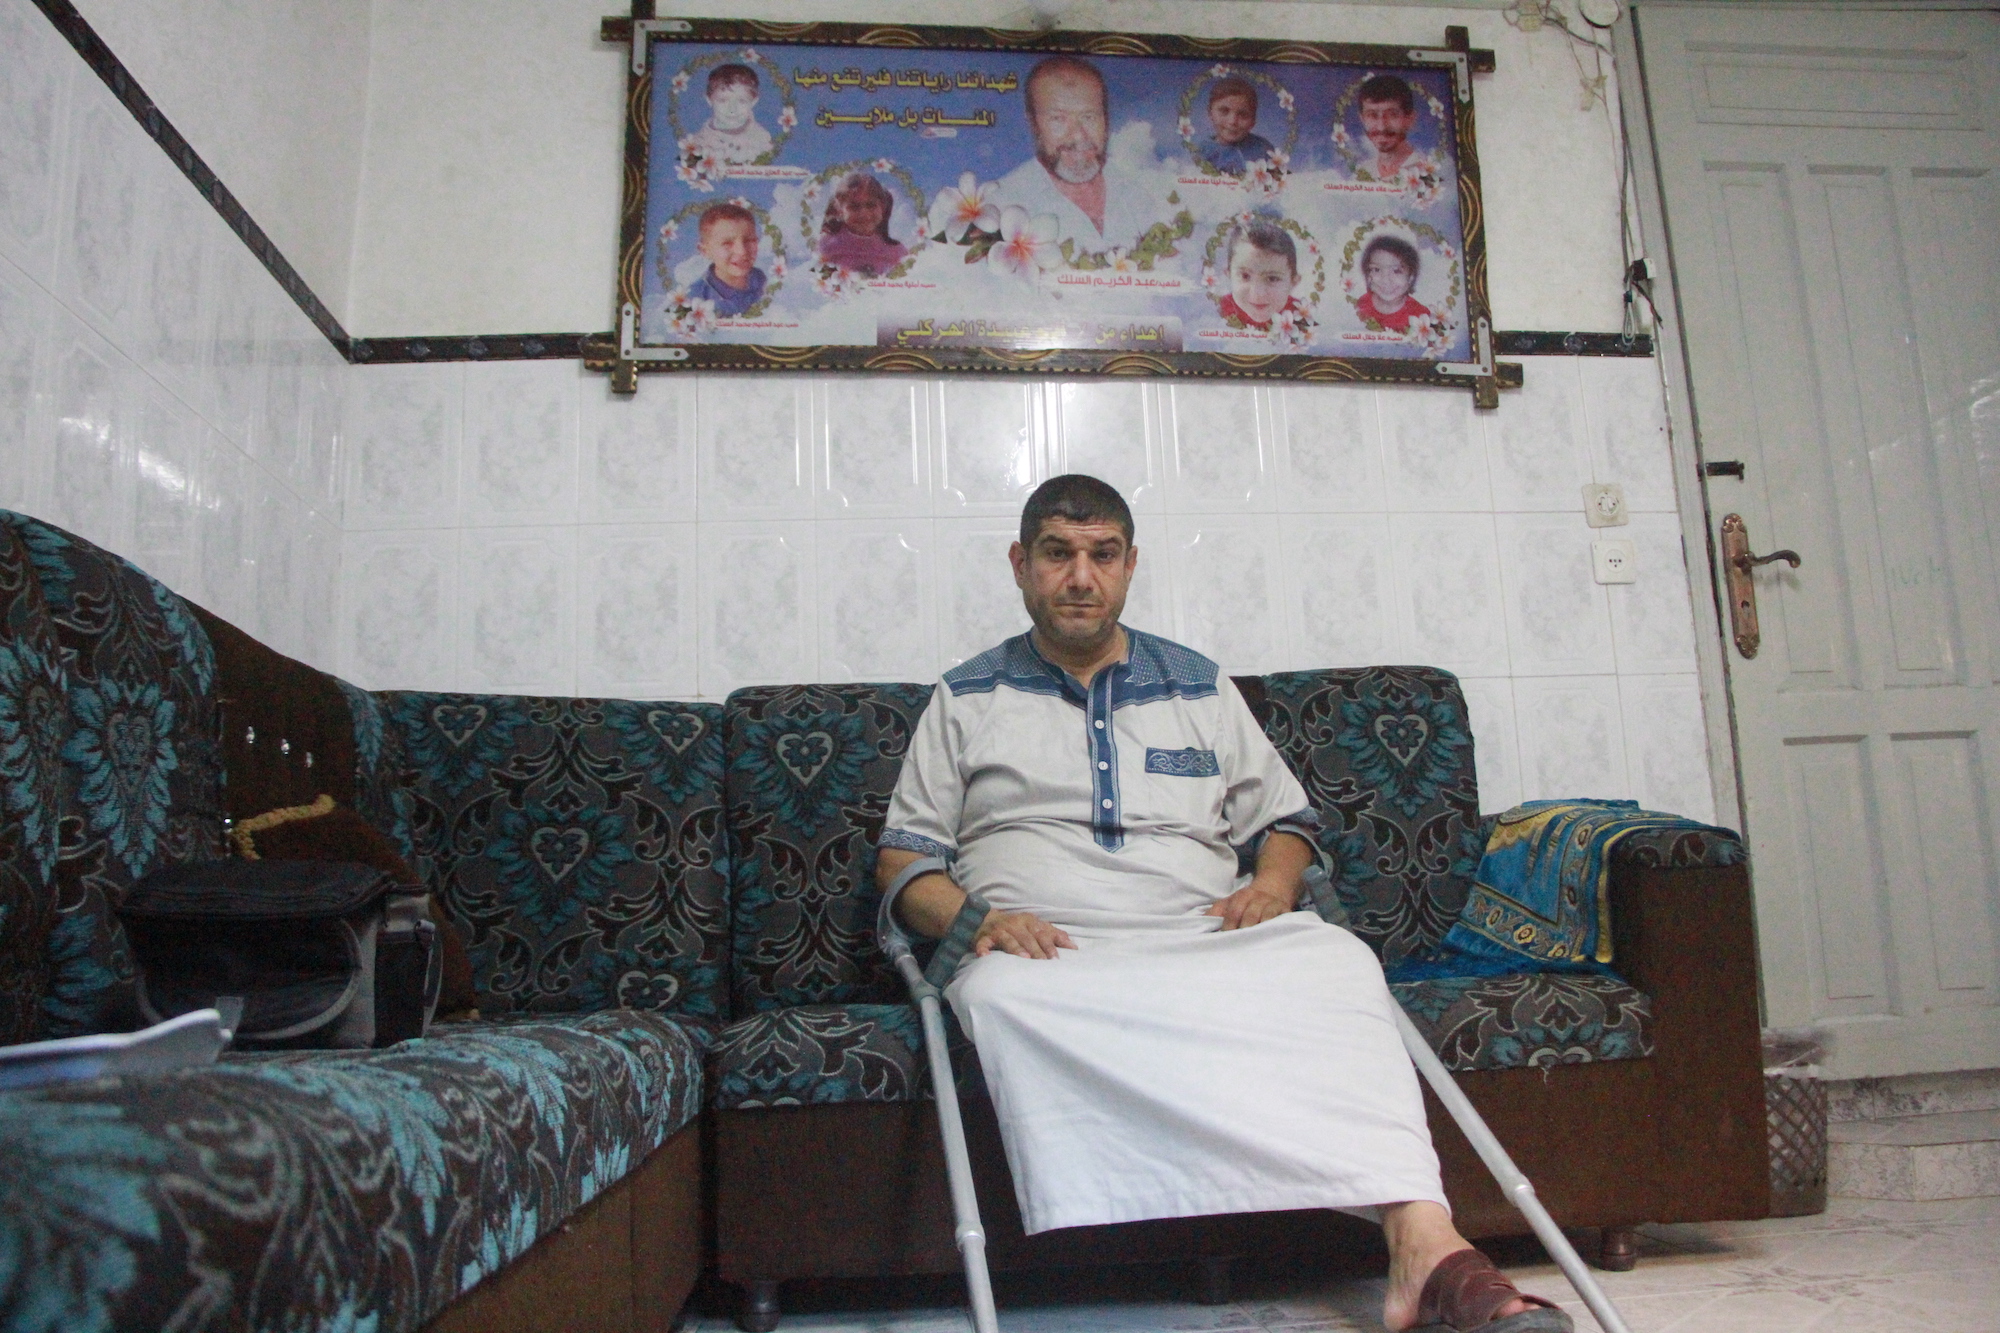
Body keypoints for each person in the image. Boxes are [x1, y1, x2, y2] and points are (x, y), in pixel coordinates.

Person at [876, 475, 1571, 1333]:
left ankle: (1422, 1242)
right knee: (1001, 995)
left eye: (1102, 555)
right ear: (1020, 564)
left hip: (1198, 936)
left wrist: (1273, 884)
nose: (1081, 577)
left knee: (1338, 963)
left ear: (1132, 564)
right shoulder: (965, 695)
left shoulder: (1198, 685)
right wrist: (978, 921)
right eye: (1058, 554)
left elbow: (1285, 820)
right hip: (1047, 954)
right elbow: (905, 859)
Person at [989, 56, 1176, 255]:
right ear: (1033, 124)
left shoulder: (1142, 187)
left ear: (1106, 119)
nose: (1078, 135)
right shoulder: (1000, 206)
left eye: (1089, 117)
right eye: (1058, 119)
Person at [816, 172, 909, 276]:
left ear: (883, 207)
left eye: (871, 205)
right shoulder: (827, 245)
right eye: (854, 207)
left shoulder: (896, 251)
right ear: (839, 210)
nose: (864, 214)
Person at [1217, 219, 1304, 329]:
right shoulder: (1219, 310)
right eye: (1245, 276)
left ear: (1293, 282)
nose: (1258, 294)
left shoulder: (1301, 315)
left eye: (1272, 278)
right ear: (1229, 275)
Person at [685, 202, 766, 317]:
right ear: (704, 251)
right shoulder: (691, 300)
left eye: (749, 240)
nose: (742, 251)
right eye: (727, 243)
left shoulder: (764, 281)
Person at [689, 63, 772, 164]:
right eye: (723, 100)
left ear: (753, 102)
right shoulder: (698, 143)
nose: (732, 109)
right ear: (709, 100)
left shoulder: (762, 139)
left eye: (742, 101)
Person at [1355, 234, 1433, 333]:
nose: (1386, 280)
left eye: (1396, 271)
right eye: (1376, 269)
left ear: (1411, 277)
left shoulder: (1421, 317)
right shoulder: (1360, 306)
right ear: (1367, 274)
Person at [1200, 76, 1277, 177]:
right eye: (1224, 111)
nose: (1232, 121)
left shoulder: (1264, 149)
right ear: (1210, 113)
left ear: (1253, 120)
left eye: (1243, 114)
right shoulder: (1202, 151)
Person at [1354, 73, 1424, 182]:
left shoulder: (1425, 172)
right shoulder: (1361, 173)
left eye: (1392, 115)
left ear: (1410, 119)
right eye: (1372, 115)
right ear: (1362, 119)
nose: (1381, 127)